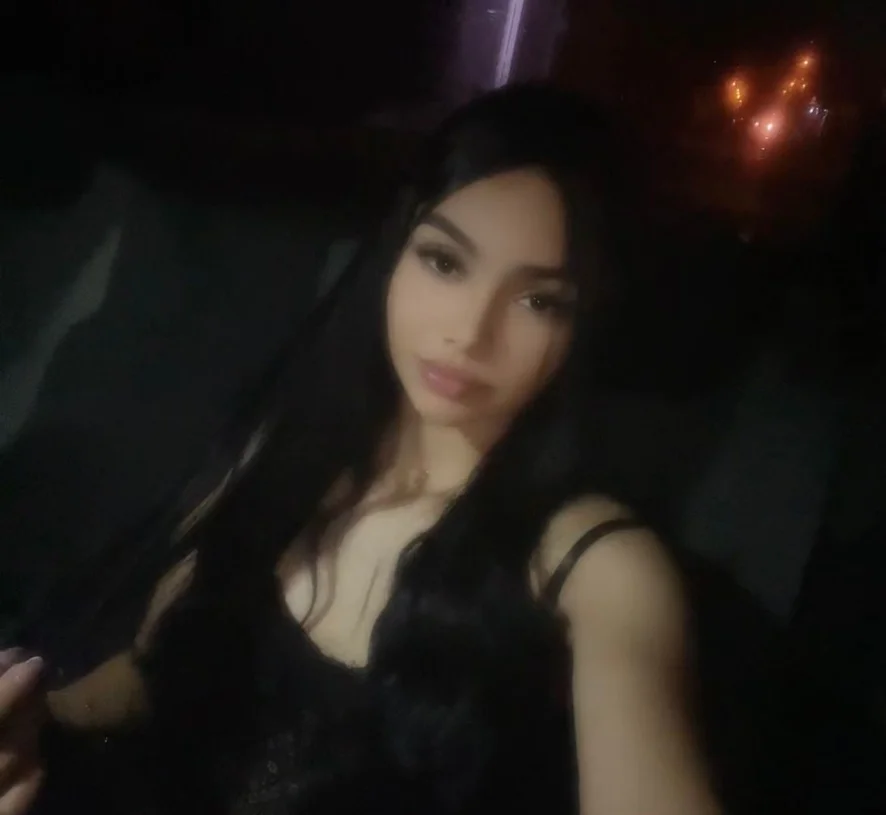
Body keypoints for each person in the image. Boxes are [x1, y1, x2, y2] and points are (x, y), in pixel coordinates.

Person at [0, 85, 720, 815]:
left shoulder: (596, 566)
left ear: (584, 325)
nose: (470, 332)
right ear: (396, 251)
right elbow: (147, 677)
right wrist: (38, 718)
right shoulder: (290, 454)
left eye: (539, 300)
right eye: (445, 262)